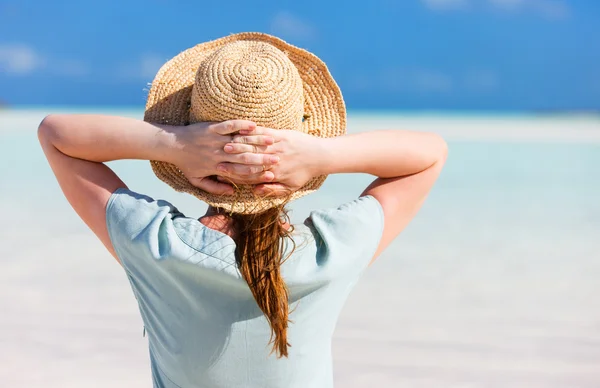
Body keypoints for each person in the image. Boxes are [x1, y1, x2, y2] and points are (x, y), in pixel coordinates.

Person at [38, 33, 447, 388]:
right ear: (301, 141)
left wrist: (171, 144)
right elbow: (429, 154)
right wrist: (323, 155)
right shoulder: (330, 253)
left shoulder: (155, 244)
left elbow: (55, 135)